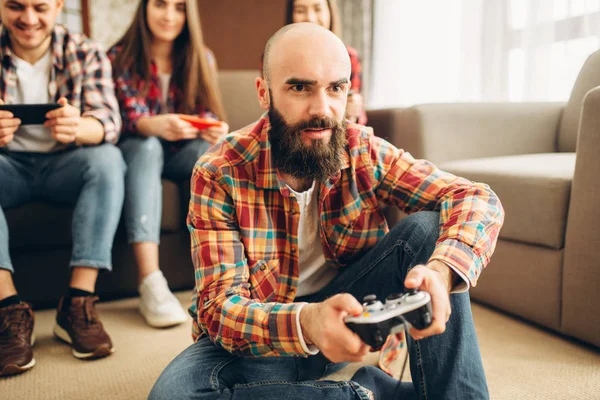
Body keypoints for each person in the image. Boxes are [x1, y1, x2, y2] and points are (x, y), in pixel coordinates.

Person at [149, 23, 504, 399]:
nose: (322, 110)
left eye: (335, 88)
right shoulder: (218, 170)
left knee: (427, 229)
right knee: (175, 395)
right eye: (300, 87)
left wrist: (442, 272)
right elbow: (219, 308)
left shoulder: (362, 148)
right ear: (264, 93)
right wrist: (308, 321)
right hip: (266, 336)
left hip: (355, 319)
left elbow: (475, 197)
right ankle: (367, 393)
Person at [0, 0, 125, 376]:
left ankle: (78, 302)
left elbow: (108, 122)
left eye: (40, 6)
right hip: (7, 168)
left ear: (58, 5)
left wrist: (80, 127)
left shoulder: (85, 51)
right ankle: (7, 309)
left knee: (107, 160)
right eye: (15, 6)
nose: (29, 19)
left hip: (66, 166)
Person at [108, 0, 229, 328]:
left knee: (212, 154)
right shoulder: (117, 57)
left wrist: (211, 126)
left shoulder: (201, 57)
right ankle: (151, 281)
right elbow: (122, 119)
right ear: (144, 8)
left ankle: (221, 277)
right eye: (160, 4)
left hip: (179, 152)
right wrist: (157, 124)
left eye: (178, 7)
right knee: (146, 147)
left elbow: (208, 110)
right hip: (136, 152)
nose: (169, 16)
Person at [286, 0, 366, 124]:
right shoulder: (276, 58)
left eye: (317, 9)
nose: (310, 18)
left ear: (330, 13)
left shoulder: (349, 57)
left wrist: (353, 110)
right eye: (300, 10)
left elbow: (358, 116)